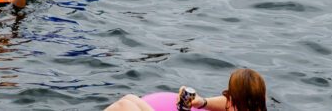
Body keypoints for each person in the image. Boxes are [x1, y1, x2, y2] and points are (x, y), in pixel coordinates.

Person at [103, 69, 267, 111]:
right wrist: (201, 102)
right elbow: (225, 102)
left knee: (126, 106)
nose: (227, 96)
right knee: (129, 99)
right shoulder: (252, 107)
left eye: (231, 92)